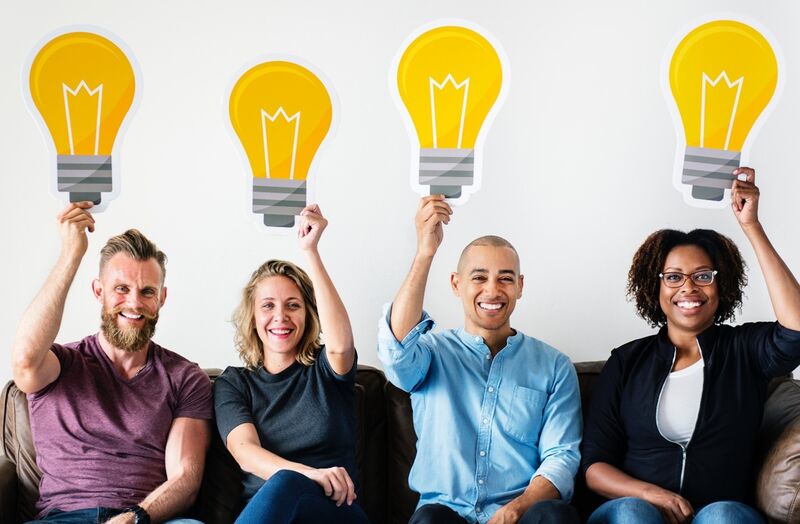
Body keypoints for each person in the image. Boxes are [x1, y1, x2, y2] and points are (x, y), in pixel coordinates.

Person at [582, 167, 800, 524]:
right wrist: (650, 494)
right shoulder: (627, 361)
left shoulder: (743, 350)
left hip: (716, 510)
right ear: (656, 288)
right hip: (636, 509)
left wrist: (751, 227)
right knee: (632, 513)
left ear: (720, 284)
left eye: (703, 276)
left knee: (725, 515)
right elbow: (594, 467)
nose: (688, 288)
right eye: (673, 277)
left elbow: (796, 329)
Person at [377, 195, 582, 524]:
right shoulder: (430, 354)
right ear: (456, 285)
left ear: (519, 286)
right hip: (443, 515)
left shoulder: (554, 366)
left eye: (505, 278)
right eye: (478, 277)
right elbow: (396, 349)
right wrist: (425, 251)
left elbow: (561, 456)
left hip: (521, 516)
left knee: (555, 516)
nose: (492, 290)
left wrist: (518, 508)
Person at [11, 201, 213, 524]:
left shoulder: (184, 377)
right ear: (98, 291)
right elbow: (23, 360)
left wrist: (135, 517)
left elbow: (185, 478)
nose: (134, 302)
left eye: (147, 291)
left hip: (144, 520)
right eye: (121, 289)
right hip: (64, 518)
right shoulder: (60, 366)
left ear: (161, 299)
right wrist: (70, 254)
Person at [213, 204, 369, 524]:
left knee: (286, 482)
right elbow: (245, 452)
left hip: (334, 509)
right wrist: (310, 474)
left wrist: (310, 252)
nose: (280, 317)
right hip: (270, 512)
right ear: (253, 317)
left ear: (308, 314)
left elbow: (342, 344)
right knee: (285, 482)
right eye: (268, 306)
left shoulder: (326, 371)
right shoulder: (234, 383)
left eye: (293, 305)